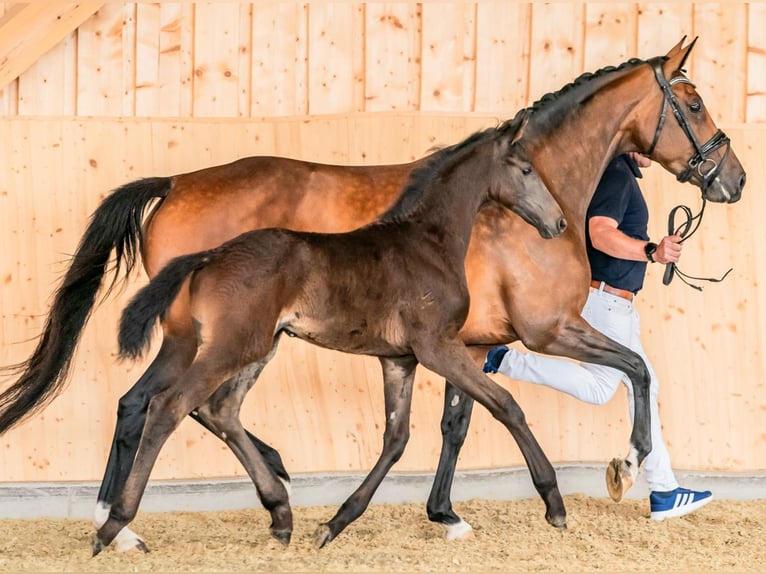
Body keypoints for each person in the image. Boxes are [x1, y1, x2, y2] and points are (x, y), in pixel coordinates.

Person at [483, 152, 712, 520]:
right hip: (608, 304)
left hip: (614, 305)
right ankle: (501, 359)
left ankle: (664, 489)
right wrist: (652, 251)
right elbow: (600, 234)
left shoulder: (617, 174)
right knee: (602, 388)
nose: (653, 152)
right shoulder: (618, 176)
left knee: (644, 385)